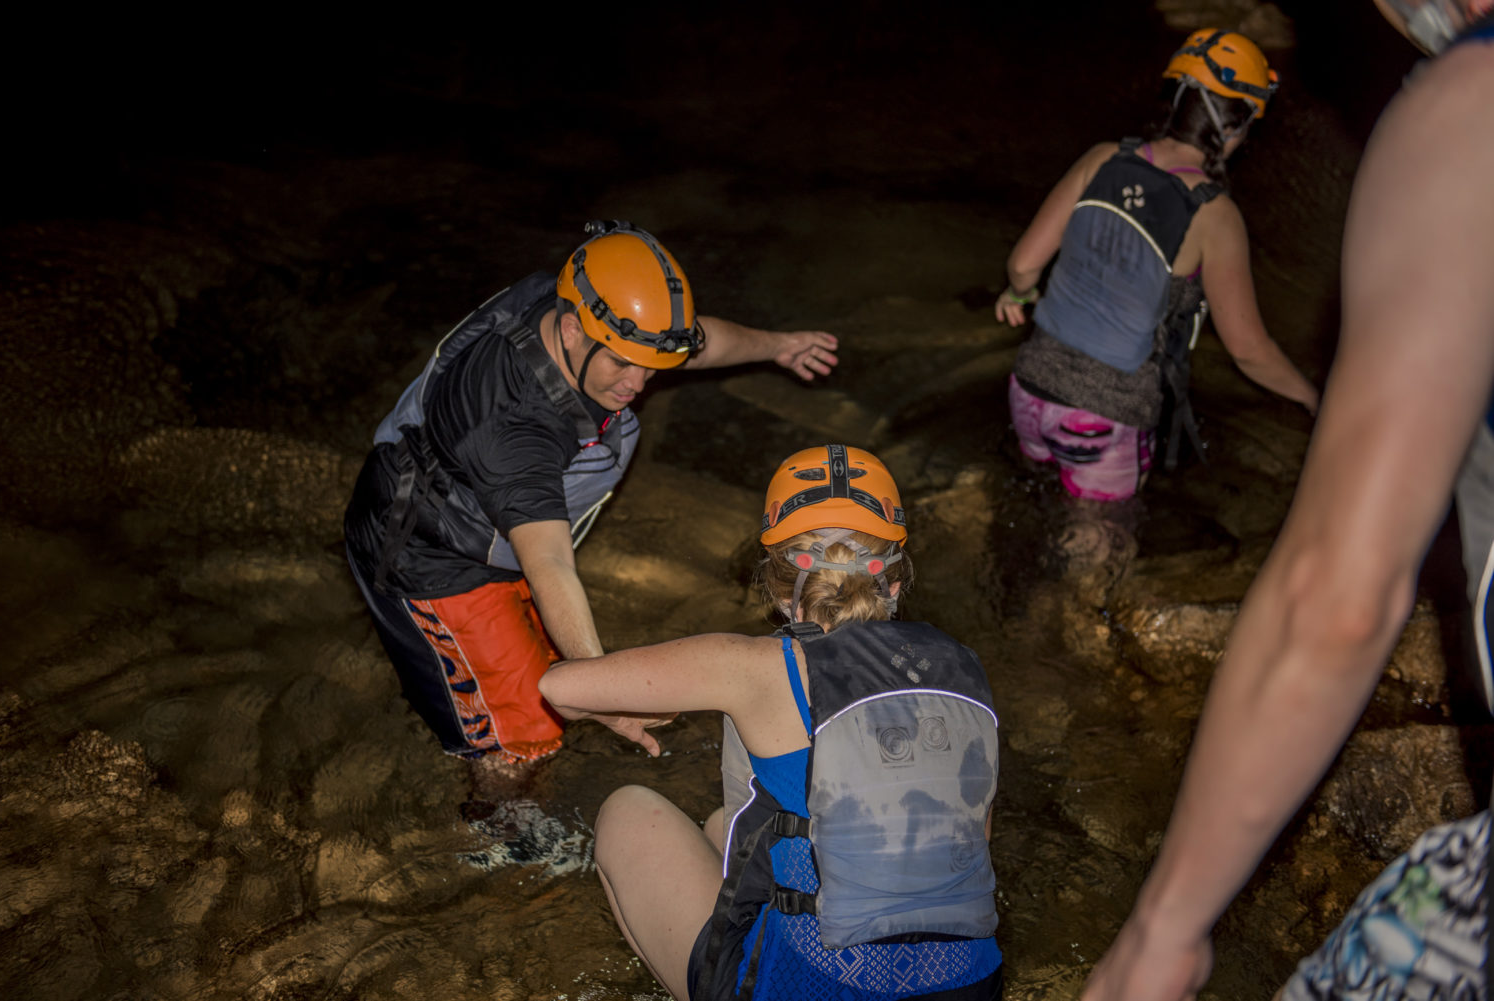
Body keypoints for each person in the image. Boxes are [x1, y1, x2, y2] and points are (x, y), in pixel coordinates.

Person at [1080, 4, 1494, 1001]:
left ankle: (1082, 625)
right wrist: (1302, 393)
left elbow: (1338, 592)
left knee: (1082, 545)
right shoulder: (1215, 213)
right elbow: (1252, 342)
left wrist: (1162, 930)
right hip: (1116, 415)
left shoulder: (1470, 110)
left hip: (1047, 389)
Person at [342, 221, 840, 788]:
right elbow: (549, 559)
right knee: (522, 737)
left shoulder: (579, 308)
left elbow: (692, 343)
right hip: (429, 557)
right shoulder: (512, 428)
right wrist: (603, 687)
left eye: (650, 363)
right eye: (622, 364)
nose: (639, 382)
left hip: (485, 513)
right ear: (574, 330)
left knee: (548, 661)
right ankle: (500, 840)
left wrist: (779, 346)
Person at [538, 444, 1005, 1001]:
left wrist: (614, 709)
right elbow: (975, 840)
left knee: (628, 812)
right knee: (722, 828)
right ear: (897, 582)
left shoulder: (754, 666)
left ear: (780, 590)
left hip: (817, 989)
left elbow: (559, 688)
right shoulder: (963, 668)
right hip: (970, 984)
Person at [995, 29, 1319, 501]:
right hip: (1103, 416)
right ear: (1233, 127)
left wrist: (1018, 294)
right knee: (1099, 554)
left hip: (1029, 389)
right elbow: (1249, 350)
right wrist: (1312, 398)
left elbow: (1024, 265)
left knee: (1030, 501)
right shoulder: (1214, 214)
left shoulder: (1102, 159)